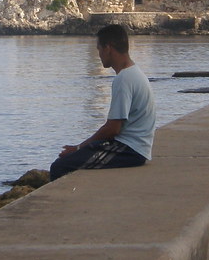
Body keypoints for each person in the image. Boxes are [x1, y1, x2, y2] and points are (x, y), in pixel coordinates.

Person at [50, 24, 156, 181]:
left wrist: (79, 147)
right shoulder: (135, 73)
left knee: (59, 166)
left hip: (130, 151)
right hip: (136, 146)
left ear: (108, 48)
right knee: (76, 157)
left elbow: (113, 129)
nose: (98, 54)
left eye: (99, 48)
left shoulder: (124, 79)